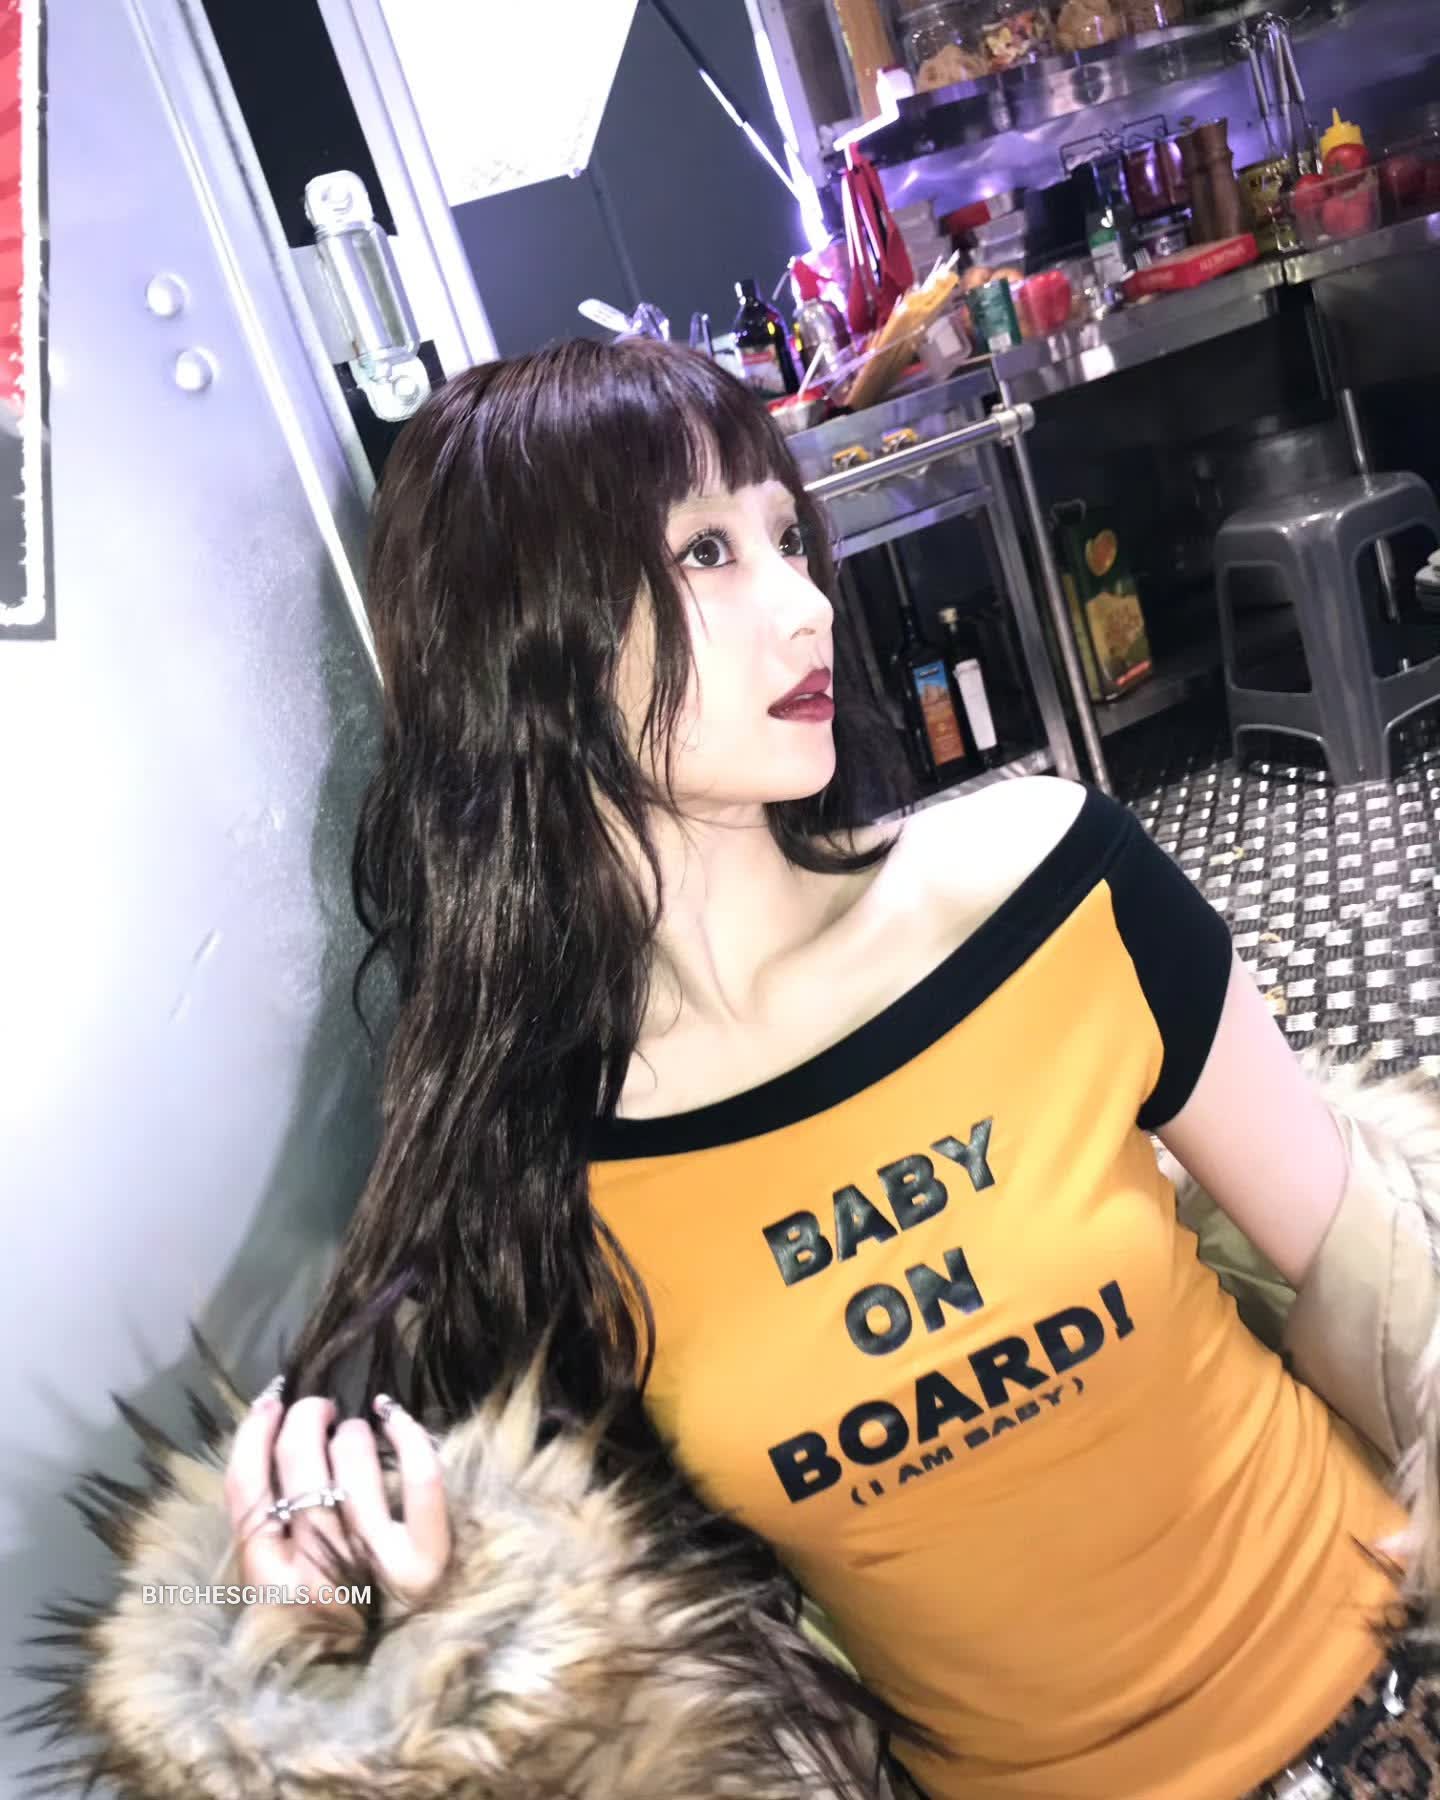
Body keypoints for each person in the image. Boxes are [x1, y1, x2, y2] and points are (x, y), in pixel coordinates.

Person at [21, 338, 1440, 1799]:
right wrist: (383, 1652)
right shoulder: (535, 1166)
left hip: (1381, 1678)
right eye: (706, 551)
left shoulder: (1044, 882)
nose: (808, 605)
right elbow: (631, 1666)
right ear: (529, 639)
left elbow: (1377, 1274)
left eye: (785, 536)